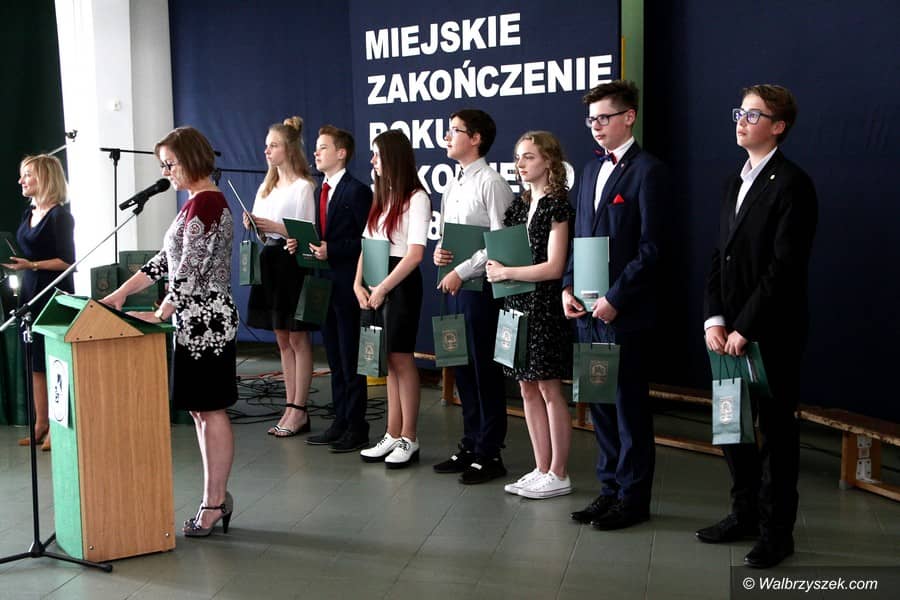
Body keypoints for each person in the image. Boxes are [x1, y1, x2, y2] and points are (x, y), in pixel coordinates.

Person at [697, 84, 817, 569]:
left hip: (771, 333)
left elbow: (784, 268)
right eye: (740, 112)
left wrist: (745, 327)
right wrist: (715, 318)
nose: (741, 121)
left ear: (778, 126)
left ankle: (775, 533)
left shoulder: (792, 183)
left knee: (776, 436)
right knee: (733, 428)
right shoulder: (734, 181)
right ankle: (743, 513)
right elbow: (719, 255)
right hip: (726, 332)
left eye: (753, 115)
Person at [102, 126, 238, 537]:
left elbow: (190, 271)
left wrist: (161, 311)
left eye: (170, 163)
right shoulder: (193, 204)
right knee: (199, 411)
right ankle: (214, 498)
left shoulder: (208, 203)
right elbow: (165, 261)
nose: (166, 172)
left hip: (208, 323)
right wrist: (121, 294)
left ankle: (214, 502)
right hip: (191, 322)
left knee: (210, 409)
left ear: (191, 159)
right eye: (163, 164)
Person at [563, 80, 668, 530]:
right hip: (586, 312)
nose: (596, 126)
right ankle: (608, 490)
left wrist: (615, 298)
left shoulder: (649, 171)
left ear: (629, 117)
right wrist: (568, 285)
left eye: (604, 117)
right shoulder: (589, 170)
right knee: (599, 404)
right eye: (591, 119)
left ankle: (633, 498)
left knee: (629, 410)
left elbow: (653, 248)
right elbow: (580, 235)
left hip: (624, 314)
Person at [485, 131, 574, 499]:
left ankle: (559, 472)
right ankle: (541, 467)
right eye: (518, 157)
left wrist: (506, 272)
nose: (520, 164)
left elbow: (554, 267)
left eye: (529, 157)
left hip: (545, 307)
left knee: (549, 388)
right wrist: (494, 265)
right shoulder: (518, 207)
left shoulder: (558, 206)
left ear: (549, 161)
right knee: (525, 387)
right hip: (516, 305)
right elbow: (504, 250)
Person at [433, 109, 514, 485]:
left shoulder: (492, 183)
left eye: (455, 131)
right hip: (454, 285)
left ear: (476, 138)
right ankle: (470, 443)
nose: (448, 137)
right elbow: (449, 234)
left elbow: (499, 243)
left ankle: (490, 451)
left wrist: (462, 270)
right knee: (460, 365)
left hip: (479, 289)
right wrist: (440, 253)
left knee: (483, 371)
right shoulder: (454, 182)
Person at [354, 129, 429, 468]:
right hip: (374, 282)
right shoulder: (381, 196)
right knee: (385, 359)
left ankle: (409, 437)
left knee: (401, 358)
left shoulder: (417, 198)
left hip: (400, 283)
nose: (372, 161)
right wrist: (358, 284)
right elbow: (367, 244)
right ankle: (391, 432)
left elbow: (415, 254)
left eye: (378, 154)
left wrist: (383, 287)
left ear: (394, 157)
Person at [301, 125, 373, 452]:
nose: (316, 153)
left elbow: (365, 240)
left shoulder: (357, 191)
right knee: (333, 355)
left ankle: (357, 425)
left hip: (347, 284)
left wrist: (333, 249)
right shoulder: (321, 190)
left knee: (350, 355)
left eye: (323, 147)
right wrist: (304, 243)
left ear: (341, 153)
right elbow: (322, 234)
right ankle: (340, 420)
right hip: (324, 282)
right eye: (316, 148)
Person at [243, 116, 316, 438]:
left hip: (293, 264)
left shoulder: (303, 187)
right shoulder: (266, 186)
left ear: (288, 149)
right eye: (266, 146)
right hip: (270, 259)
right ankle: (290, 405)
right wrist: (255, 225)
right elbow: (265, 232)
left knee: (298, 337)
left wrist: (275, 227)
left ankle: (300, 408)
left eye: (273, 145)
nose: (267, 151)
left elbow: (307, 234)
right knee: (282, 339)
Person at [3, 154, 75, 452]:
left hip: (53, 292)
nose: (21, 180)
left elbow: (68, 262)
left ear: (45, 178)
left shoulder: (60, 217)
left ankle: (58, 427)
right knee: (34, 361)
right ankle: (40, 423)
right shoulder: (28, 212)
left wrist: (31, 265)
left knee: (53, 360)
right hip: (29, 290)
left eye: (28, 175)